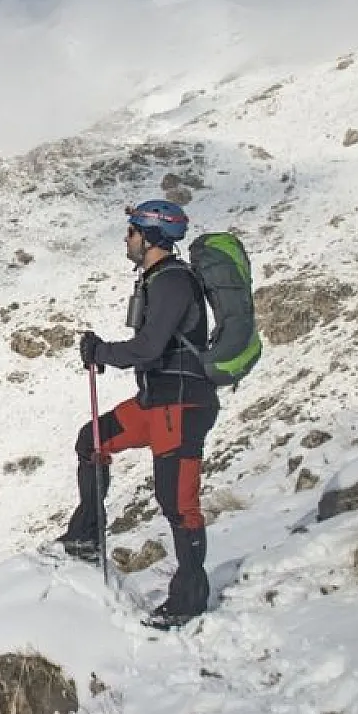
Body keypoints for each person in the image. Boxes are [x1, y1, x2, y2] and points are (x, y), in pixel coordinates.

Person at [60, 199, 220, 629]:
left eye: (132, 231)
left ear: (149, 236)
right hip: (156, 403)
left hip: (181, 406)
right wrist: (104, 352)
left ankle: (189, 597)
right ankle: (86, 536)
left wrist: (101, 352)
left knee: (177, 502)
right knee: (91, 440)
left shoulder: (172, 282)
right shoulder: (156, 280)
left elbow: (148, 348)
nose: (127, 238)